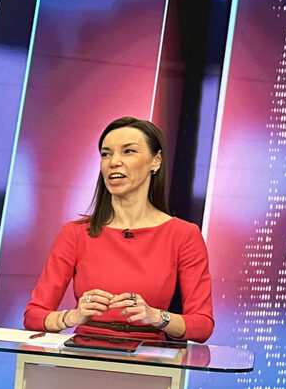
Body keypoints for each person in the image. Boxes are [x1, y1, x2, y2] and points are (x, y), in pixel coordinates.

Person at [22, 116, 213, 342]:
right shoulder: (75, 233)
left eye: (128, 151)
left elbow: (202, 325)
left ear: (156, 161)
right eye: (106, 154)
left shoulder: (184, 234)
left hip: (150, 356)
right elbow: (33, 316)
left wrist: (156, 317)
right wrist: (72, 316)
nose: (113, 162)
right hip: (83, 354)